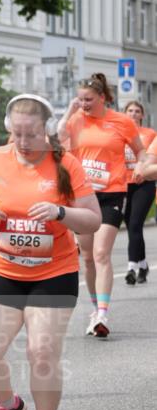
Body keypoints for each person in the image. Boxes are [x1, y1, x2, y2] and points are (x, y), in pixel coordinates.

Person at [0, 94, 101, 410]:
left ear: (47, 130)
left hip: (54, 272)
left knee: (42, 351)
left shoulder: (65, 164)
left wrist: (59, 212)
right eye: (17, 134)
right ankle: (8, 405)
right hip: (3, 268)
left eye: (31, 135)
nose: (23, 143)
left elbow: (92, 218)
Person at [58, 73, 145, 337]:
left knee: (100, 253)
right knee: (86, 257)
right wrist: (69, 111)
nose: (83, 103)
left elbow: (140, 150)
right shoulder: (75, 121)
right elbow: (59, 139)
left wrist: (140, 164)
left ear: (103, 98)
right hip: (83, 195)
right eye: (80, 99)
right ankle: (95, 310)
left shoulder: (122, 122)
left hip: (111, 193)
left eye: (88, 99)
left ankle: (104, 314)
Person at [121, 101, 156, 285]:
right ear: (124, 113)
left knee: (135, 224)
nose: (133, 114)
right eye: (130, 111)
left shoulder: (149, 134)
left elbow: (151, 158)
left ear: (141, 115)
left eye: (137, 111)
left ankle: (131, 268)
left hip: (144, 184)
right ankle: (143, 265)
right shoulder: (118, 134)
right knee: (132, 227)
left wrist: (145, 170)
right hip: (123, 185)